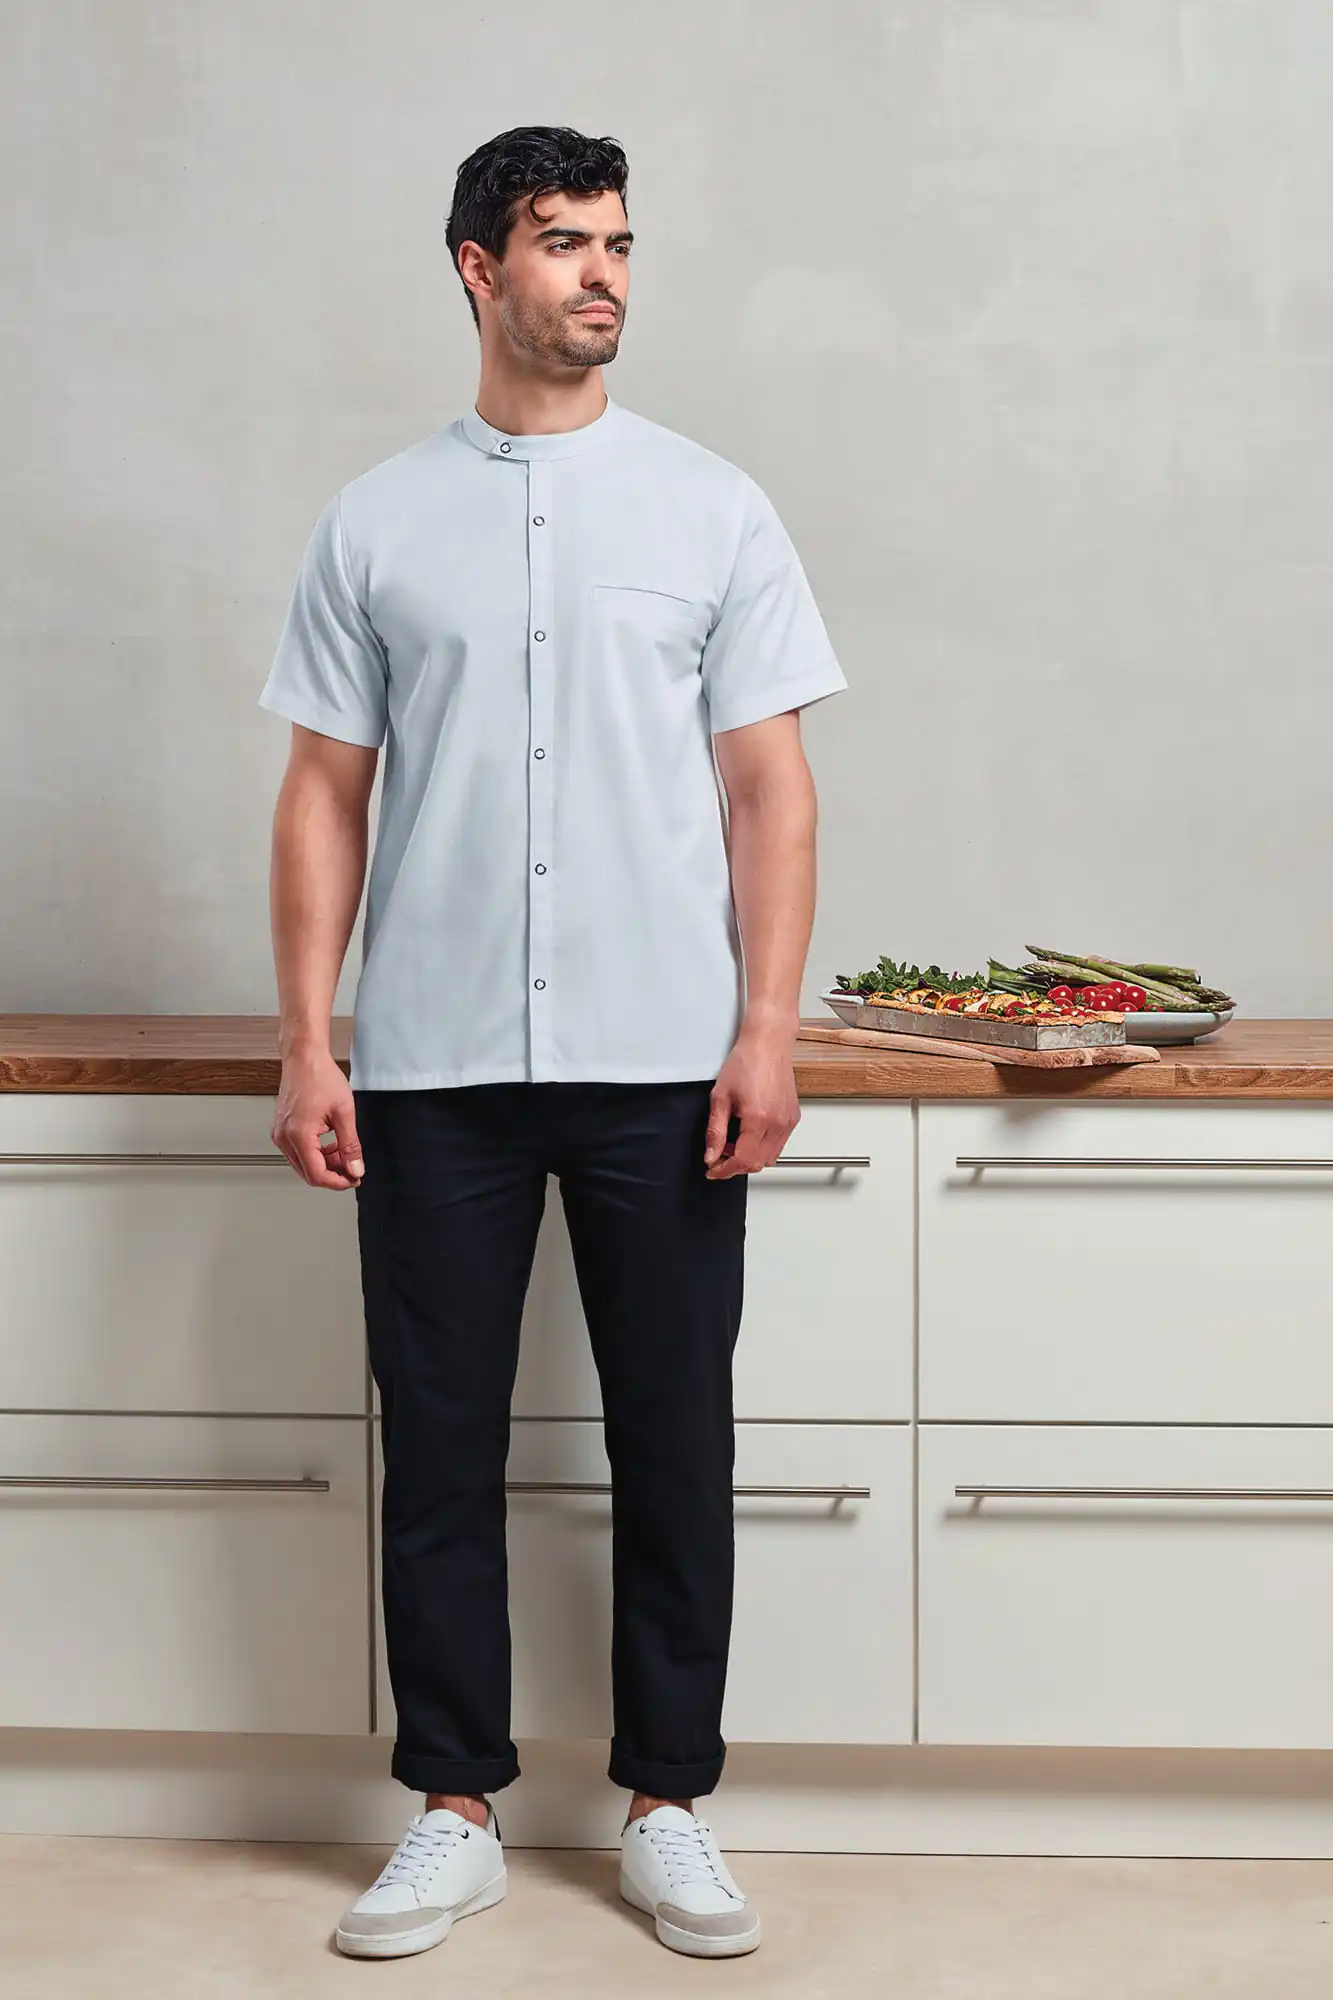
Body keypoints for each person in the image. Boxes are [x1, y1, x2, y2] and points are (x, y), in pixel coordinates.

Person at [259, 123, 847, 1962]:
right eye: (564, 241)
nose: (604, 274)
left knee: (675, 1440)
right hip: (431, 1066)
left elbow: (769, 791)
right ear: (477, 267)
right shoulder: (373, 520)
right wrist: (307, 1039)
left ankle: (671, 1803)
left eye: (619, 242)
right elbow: (323, 795)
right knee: (437, 1445)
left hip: (664, 1060)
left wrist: (765, 1027)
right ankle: (453, 1808)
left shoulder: (713, 508)